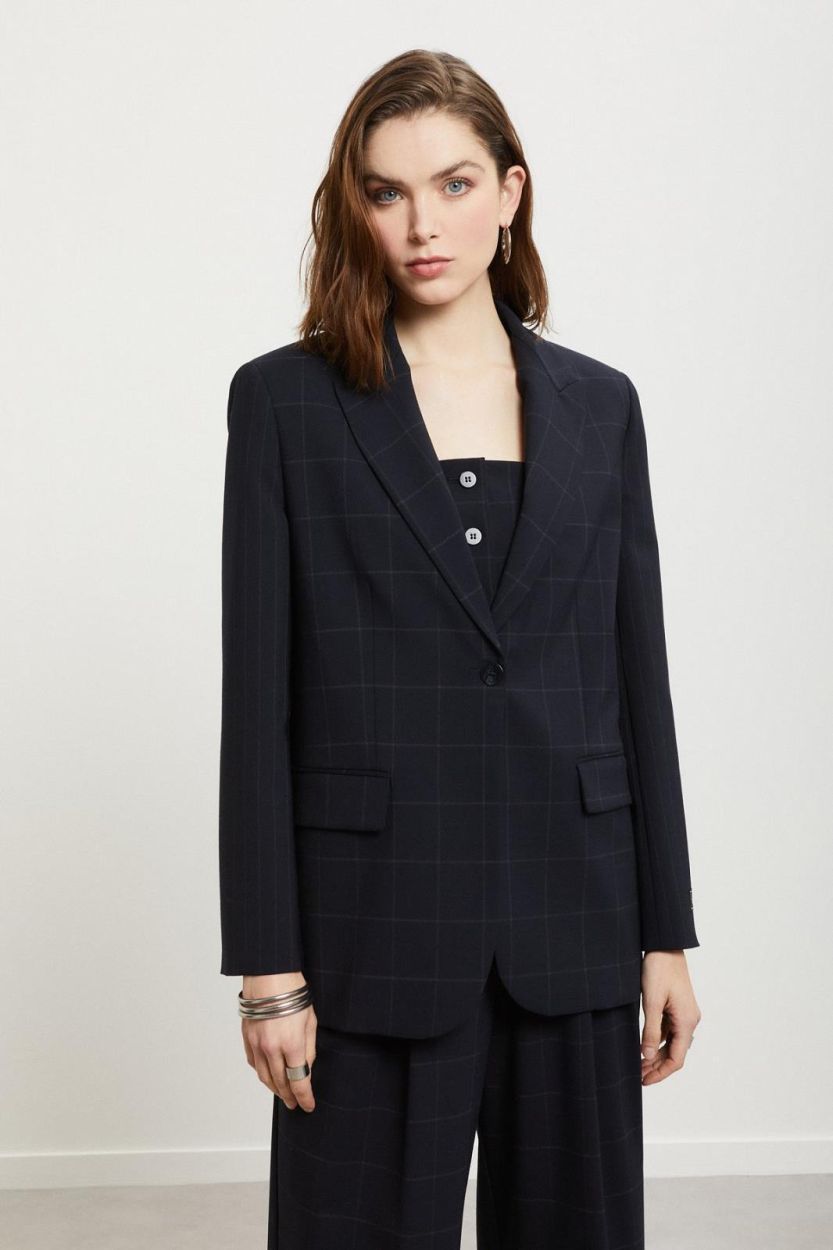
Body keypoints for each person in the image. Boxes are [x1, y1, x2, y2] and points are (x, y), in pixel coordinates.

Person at [219, 48, 703, 1250]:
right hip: (370, 935)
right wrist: (268, 967)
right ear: (354, 208)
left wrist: (665, 931)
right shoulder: (285, 403)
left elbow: (636, 681)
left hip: (575, 919)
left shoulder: (600, 405)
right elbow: (257, 704)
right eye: (384, 193)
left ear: (508, 191)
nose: (420, 224)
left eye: (452, 184)